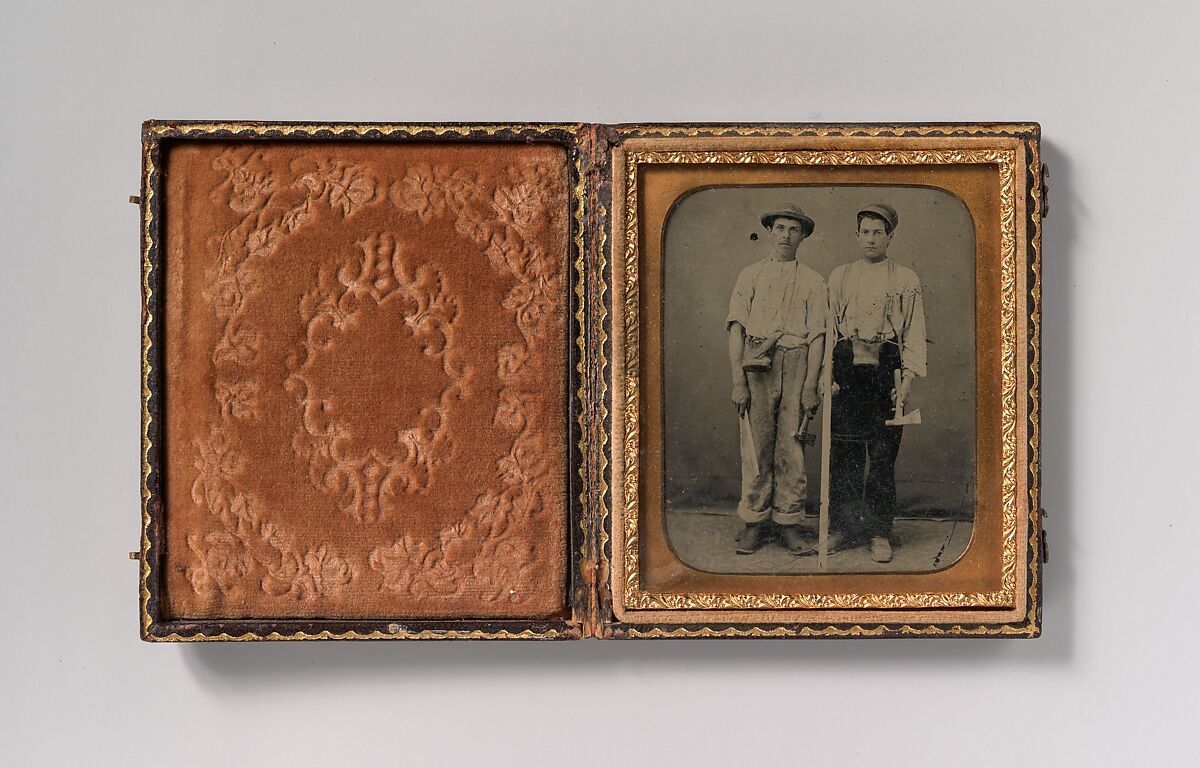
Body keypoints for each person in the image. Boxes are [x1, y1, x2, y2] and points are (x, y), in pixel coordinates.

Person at [827, 203, 927, 563]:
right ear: (857, 236)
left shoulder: (905, 279)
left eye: (878, 233)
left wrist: (908, 378)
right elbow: (828, 330)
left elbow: (914, 330)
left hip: (887, 366)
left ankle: (879, 531)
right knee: (844, 453)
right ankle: (843, 526)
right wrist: (829, 375)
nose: (871, 239)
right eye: (865, 232)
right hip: (846, 367)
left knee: (882, 455)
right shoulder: (840, 276)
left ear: (890, 237)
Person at [726, 204, 827, 556]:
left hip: (797, 364)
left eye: (793, 230)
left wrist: (811, 385)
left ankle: (789, 525)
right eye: (780, 228)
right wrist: (738, 379)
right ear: (770, 231)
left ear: (803, 237)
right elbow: (736, 329)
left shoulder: (814, 281)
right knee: (756, 446)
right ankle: (754, 523)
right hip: (756, 366)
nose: (785, 235)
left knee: (792, 447)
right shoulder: (750, 275)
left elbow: (818, 337)